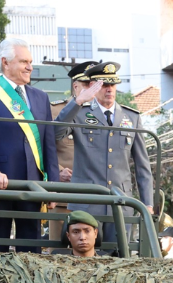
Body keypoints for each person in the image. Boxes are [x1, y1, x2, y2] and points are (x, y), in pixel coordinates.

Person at [0, 38, 60, 251]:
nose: (30, 67)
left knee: (31, 251)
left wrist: (54, 185)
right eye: (23, 62)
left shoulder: (41, 97)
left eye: (30, 62)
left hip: (34, 183)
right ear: (6, 62)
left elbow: (48, 143)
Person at [54, 61, 154, 242]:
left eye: (113, 84)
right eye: (104, 85)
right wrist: (78, 101)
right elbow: (56, 133)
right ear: (93, 86)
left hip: (121, 203)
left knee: (119, 259)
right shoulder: (79, 113)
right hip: (87, 204)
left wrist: (147, 203)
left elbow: (142, 166)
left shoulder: (131, 117)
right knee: (86, 261)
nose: (109, 89)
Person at [47, 60, 98, 243]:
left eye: (95, 84)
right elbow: (43, 146)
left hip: (96, 196)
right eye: (86, 84)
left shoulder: (104, 114)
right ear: (76, 86)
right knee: (60, 253)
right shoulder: (55, 110)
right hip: (65, 195)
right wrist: (58, 170)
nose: (91, 89)